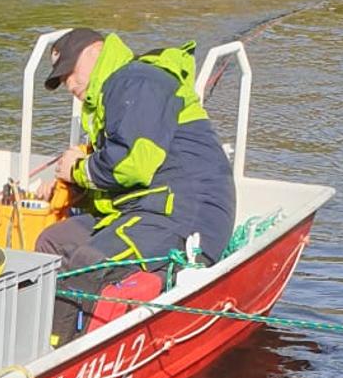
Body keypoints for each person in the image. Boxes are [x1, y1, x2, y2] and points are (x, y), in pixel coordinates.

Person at [32, 28, 236, 342]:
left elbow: (132, 164)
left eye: (70, 72)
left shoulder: (136, 81)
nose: (68, 84)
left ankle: (62, 349)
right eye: (61, 79)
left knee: (89, 262)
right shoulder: (113, 95)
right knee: (52, 241)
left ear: (95, 51)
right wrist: (74, 188)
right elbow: (122, 175)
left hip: (187, 212)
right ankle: (39, 331)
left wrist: (79, 170)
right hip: (143, 208)